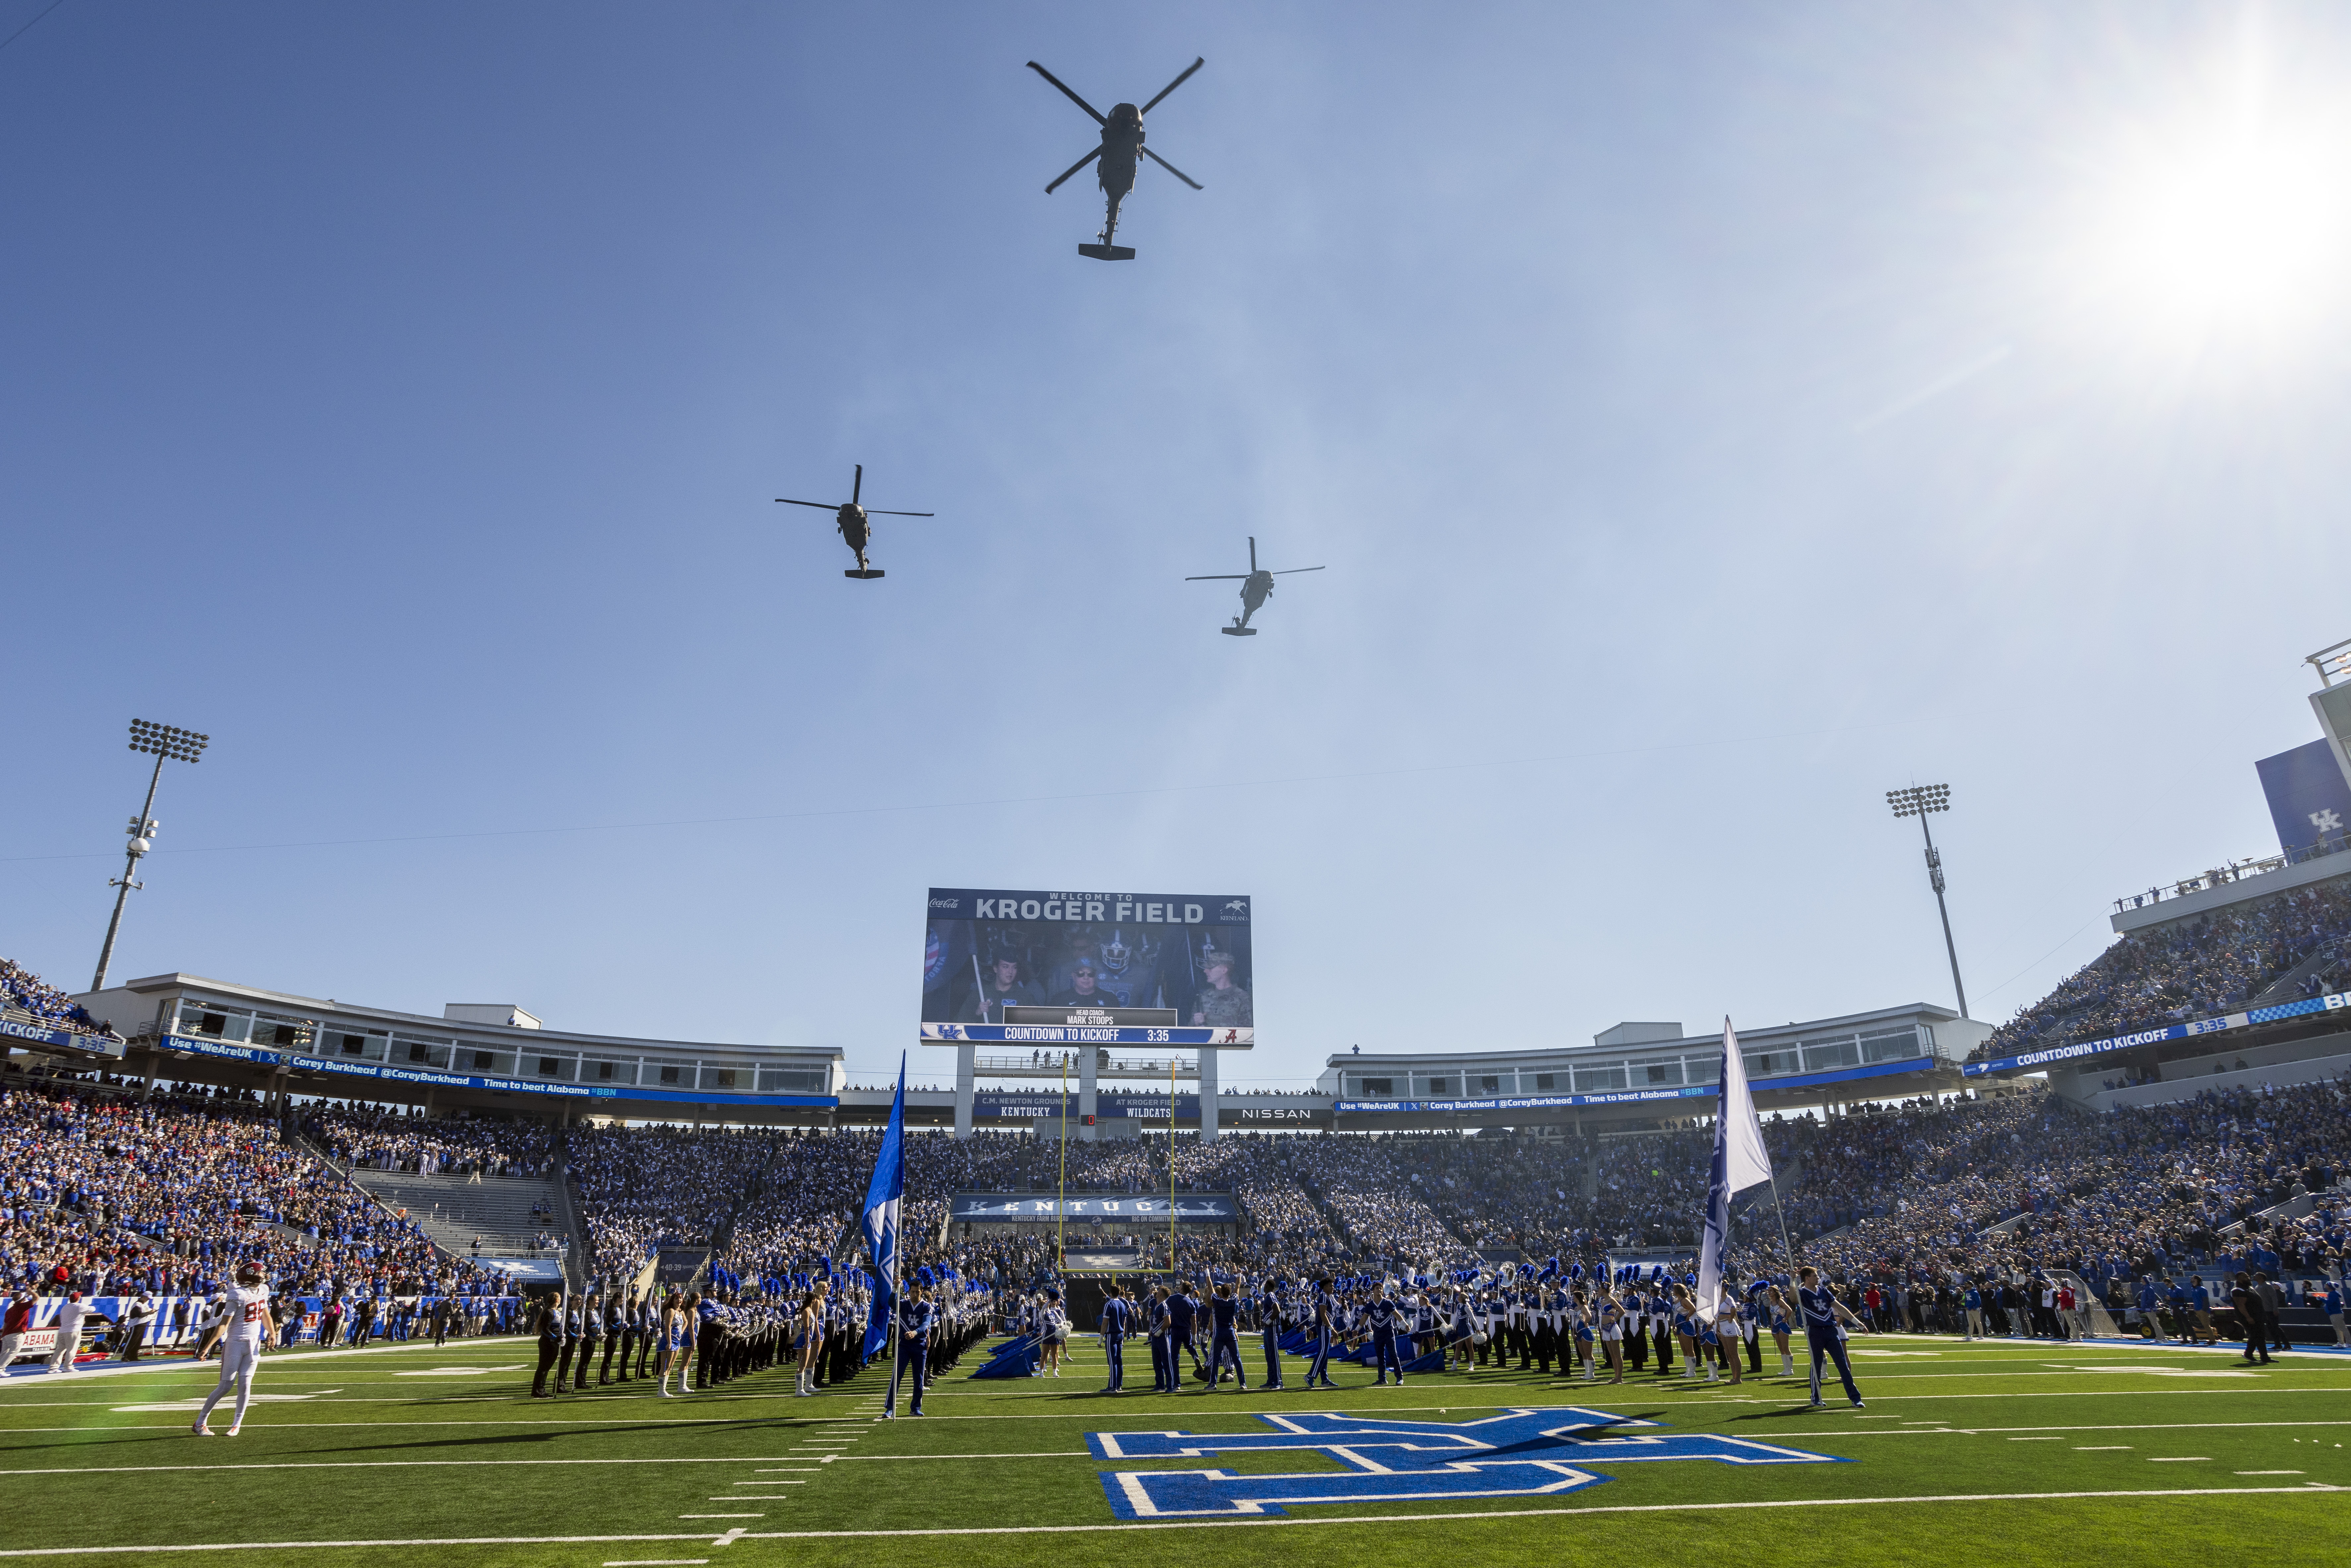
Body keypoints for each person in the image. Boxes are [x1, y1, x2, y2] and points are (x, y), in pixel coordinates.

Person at [191, 1265, 275, 1438]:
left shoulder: (264, 1290)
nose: (263, 1275)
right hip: (235, 1343)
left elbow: (266, 1315)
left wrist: (272, 1333)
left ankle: (237, 1424)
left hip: (253, 1345)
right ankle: (200, 1423)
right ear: (251, 1275)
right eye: (260, 1272)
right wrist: (208, 1347)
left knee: (245, 1385)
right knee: (225, 1386)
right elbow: (224, 1324)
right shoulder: (237, 1294)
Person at [1796, 1267, 1867, 1409]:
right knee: (1816, 1365)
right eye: (1814, 1276)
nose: (1818, 1277)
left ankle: (1855, 1398)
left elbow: (1840, 1307)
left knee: (1843, 1365)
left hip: (1830, 1331)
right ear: (1807, 1278)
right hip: (1815, 1331)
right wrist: (1793, 1281)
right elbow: (1793, 1299)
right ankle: (1815, 1397)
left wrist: (1857, 1323)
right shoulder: (1802, 1292)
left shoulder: (1824, 1291)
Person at [894, 1283, 933, 1417]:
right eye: (913, 1292)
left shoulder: (926, 1306)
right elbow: (890, 1302)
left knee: (919, 1378)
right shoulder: (904, 1304)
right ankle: (890, 1407)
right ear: (909, 1292)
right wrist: (895, 1288)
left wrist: (916, 1333)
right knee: (897, 1376)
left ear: (922, 1292)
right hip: (904, 1344)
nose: (915, 1294)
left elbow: (926, 1323)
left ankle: (915, 1408)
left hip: (919, 1344)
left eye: (917, 1292)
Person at [1190, 951, 1252, 1027]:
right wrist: (1198, 1024)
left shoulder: (1242, 998)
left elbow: (1247, 1034)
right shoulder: (1203, 998)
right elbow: (1190, 1032)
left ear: (1224, 970)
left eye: (1210, 968)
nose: (1205, 971)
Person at [1205, 1282, 1246, 1392]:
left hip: (1219, 1332)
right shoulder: (1233, 1302)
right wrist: (1239, 1276)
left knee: (1215, 1359)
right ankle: (1243, 1383)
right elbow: (1237, 1288)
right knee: (1237, 1359)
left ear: (1221, 1293)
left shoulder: (1217, 1301)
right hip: (1230, 1332)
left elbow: (1210, 1286)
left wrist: (1207, 1273)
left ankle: (1213, 1383)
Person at [530, 1289, 566, 1398]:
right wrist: (556, 1338)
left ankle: (541, 1389)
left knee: (547, 1368)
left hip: (554, 1342)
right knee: (543, 1368)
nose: (561, 1299)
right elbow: (545, 1330)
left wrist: (561, 1336)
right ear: (556, 1300)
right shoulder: (550, 1312)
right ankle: (538, 1390)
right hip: (548, 1342)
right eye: (560, 1298)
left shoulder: (557, 1312)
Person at [2229, 1273, 2271, 1365]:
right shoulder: (2238, 1290)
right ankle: (2265, 1357)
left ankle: (2248, 1354)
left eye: (2248, 1276)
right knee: (2259, 1337)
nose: (2248, 1278)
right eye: (2245, 1277)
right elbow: (2241, 1305)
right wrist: (2248, 1317)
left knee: (2256, 1336)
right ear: (2239, 1279)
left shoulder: (2249, 1288)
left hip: (2258, 1315)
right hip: (2250, 1317)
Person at [46, 1292, 93, 1373]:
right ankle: (68, 1366)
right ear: (78, 1299)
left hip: (63, 1331)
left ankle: (53, 1368)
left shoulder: (65, 1307)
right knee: (72, 1350)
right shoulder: (80, 1306)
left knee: (59, 1350)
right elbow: (93, 1309)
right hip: (73, 1331)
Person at [796, 1281, 828, 1398]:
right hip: (811, 1335)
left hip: (816, 1333)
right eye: (825, 1288)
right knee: (805, 1363)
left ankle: (809, 1385)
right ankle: (802, 1388)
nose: (828, 1289)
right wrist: (818, 1335)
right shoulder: (814, 1305)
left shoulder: (821, 1301)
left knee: (813, 1359)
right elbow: (811, 1323)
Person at [1098, 1282, 1129, 1393]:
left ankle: (1112, 1387)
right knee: (1119, 1361)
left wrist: (1101, 1338)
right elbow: (1125, 1323)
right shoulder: (1123, 1304)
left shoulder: (1109, 1304)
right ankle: (1118, 1385)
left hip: (1111, 1335)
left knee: (1113, 1362)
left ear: (1111, 1293)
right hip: (1120, 1334)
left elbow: (1105, 1323)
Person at [0, 1288, 33, 1373]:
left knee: (5, 1352)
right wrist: (32, 1292)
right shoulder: (22, 1306)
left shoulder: (10, 1310)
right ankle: (1, 1369)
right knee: (14, 1351)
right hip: (16, 1333)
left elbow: (6, 1324)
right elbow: (37, 1298)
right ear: (22, 1300)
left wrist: (3, 1334)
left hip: (7, 1333)